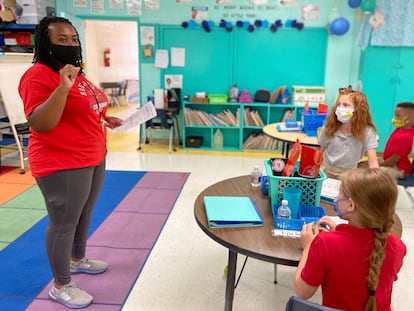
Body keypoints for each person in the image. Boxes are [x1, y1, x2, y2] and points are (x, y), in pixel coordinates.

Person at [18, 16, 123, 309]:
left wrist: (103, 117)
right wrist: (62, 88)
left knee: (84, 214)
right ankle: (61, 285)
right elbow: (41, 123)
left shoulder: (76, 73)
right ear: (45, 43)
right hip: (62, 162)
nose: (70, 44)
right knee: (64, 222)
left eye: (73, 39)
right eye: (61, 39)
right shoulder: (38, 75)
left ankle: (77, 259)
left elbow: (81, 108)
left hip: (92, 156)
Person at [294, 168, 406, 311]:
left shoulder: (324, 243)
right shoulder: (398, 247)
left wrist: (308, 246)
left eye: (340, 192)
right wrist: (338, 235)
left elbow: (302, 292)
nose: (336, 197)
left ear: (351, 205)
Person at [318, 86, 379, 179]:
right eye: (338, 104)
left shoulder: (367, 132)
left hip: (349, 174)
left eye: (346, 105)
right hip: (326, 171)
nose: (340, 108)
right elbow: (320, 153)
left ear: (358, 110)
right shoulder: (328, 128)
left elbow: (373, 163)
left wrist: (376, 180)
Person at [379, 102, 414, 180]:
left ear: (410, 119)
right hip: (389, 162)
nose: (395, 119)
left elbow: (393, 160)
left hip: (398, 169)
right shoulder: (400, 129)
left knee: (373, 173)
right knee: (365, 164)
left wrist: (377, 164)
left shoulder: (405, 137)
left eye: (398, 116)